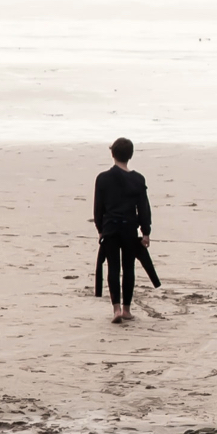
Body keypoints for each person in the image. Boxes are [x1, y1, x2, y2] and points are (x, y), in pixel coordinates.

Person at [92, 137, 155, 325]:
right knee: (128, 268)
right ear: (131, 155)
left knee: (113, 267)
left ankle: (116, 308)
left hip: (111, 228)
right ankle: (127, 309)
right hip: (129, 228)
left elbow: (98, 207)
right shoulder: (138, 179)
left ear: (112, 153)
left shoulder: (103, 178)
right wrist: (146, 232)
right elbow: (143, 208)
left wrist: (100, 229)